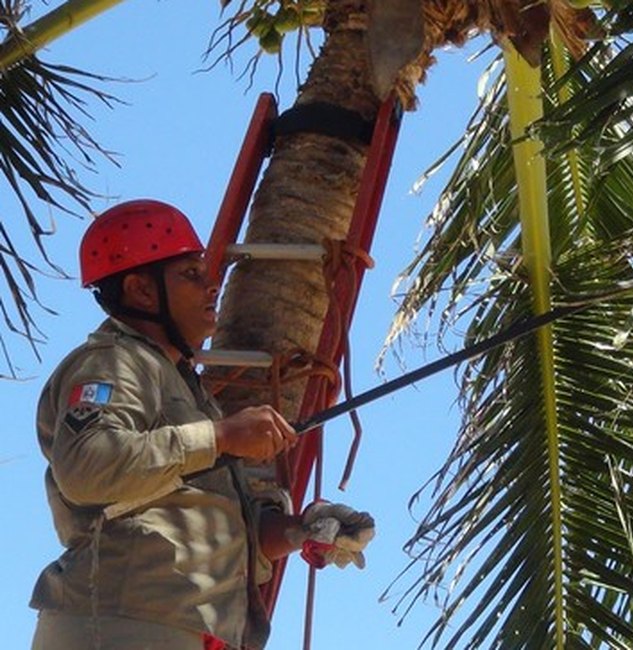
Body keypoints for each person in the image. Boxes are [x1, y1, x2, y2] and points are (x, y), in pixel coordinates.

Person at [30, 200, 376, 650]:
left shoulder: (182, 387)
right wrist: (222, 436)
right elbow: (87, 466)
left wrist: (301, 529)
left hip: (176, 628)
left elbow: (195, 520)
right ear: (141, 291)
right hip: (120, 625)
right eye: (191, 275)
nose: (212, 286)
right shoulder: (114, 363)